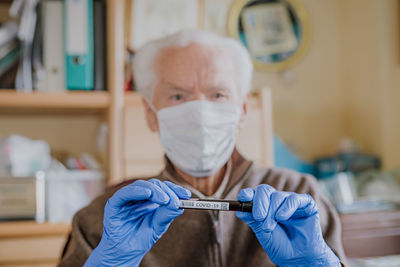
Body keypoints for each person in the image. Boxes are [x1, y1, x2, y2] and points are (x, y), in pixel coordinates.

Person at [58, 29, 346, 267]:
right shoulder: (107, 217)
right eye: (178, 95)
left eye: (218, 94)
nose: (200, 111)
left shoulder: (300, 199)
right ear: (150, 114)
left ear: (243, 109)